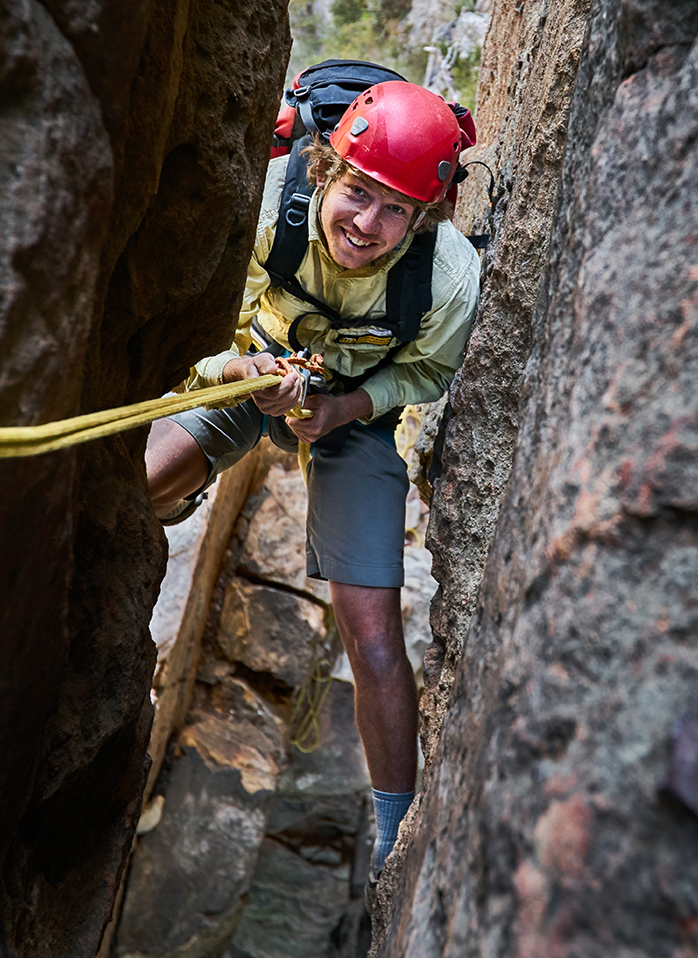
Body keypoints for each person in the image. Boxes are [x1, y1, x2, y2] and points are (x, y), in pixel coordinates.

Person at [144, 79, 481, 874]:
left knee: (373, 634)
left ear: (423, 218)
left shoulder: (445, 275)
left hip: (352, 412)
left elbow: (427, 372)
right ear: (325, 169)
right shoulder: (270, 206)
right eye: (357, 192)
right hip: (248, 366)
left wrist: (344, 407)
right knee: (142, 484)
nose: (366, 224)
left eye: (396, 210)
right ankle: (187, 486)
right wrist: (238, 370)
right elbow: (197, 311)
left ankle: (395, 841)